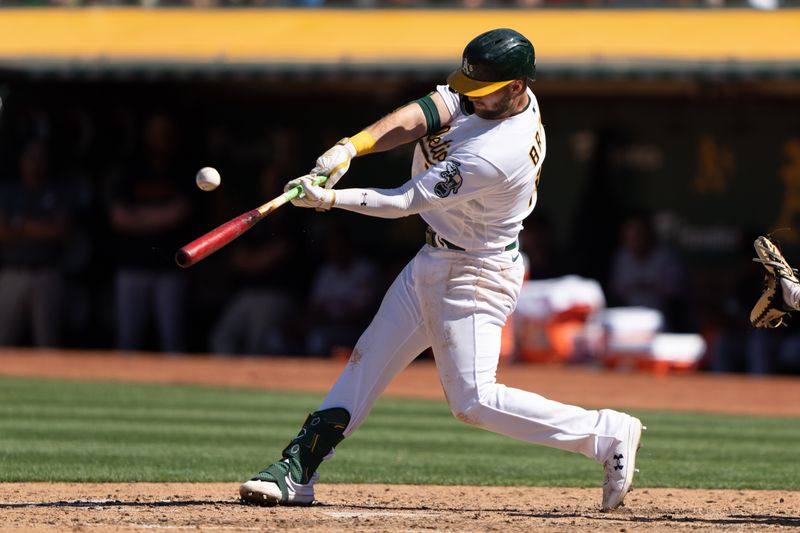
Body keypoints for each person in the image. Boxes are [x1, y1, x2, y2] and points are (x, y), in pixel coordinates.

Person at [239, 28, 644, 512]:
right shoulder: (494, 94)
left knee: (473, 401)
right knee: (366, 359)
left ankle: (605, 433)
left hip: (476, 272)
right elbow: (426, 112)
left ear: (516, 87)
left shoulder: (498, 151)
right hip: (436, 257)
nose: (469, 98)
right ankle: (296, 470)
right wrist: (351, 147)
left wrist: (328, 200)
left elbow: (405, 201)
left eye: (482, 91)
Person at [0, 140, 72, 347]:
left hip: (46, 274)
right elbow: (2, 232)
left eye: (40, 157)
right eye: (30, 157)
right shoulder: (8, 192)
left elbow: (60, 231)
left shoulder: (56, 191)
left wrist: (20, 225)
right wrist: (41, 228)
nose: (35, 162)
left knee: (48, 343)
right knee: (3, 342)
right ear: (21, 161)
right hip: (13, 274)